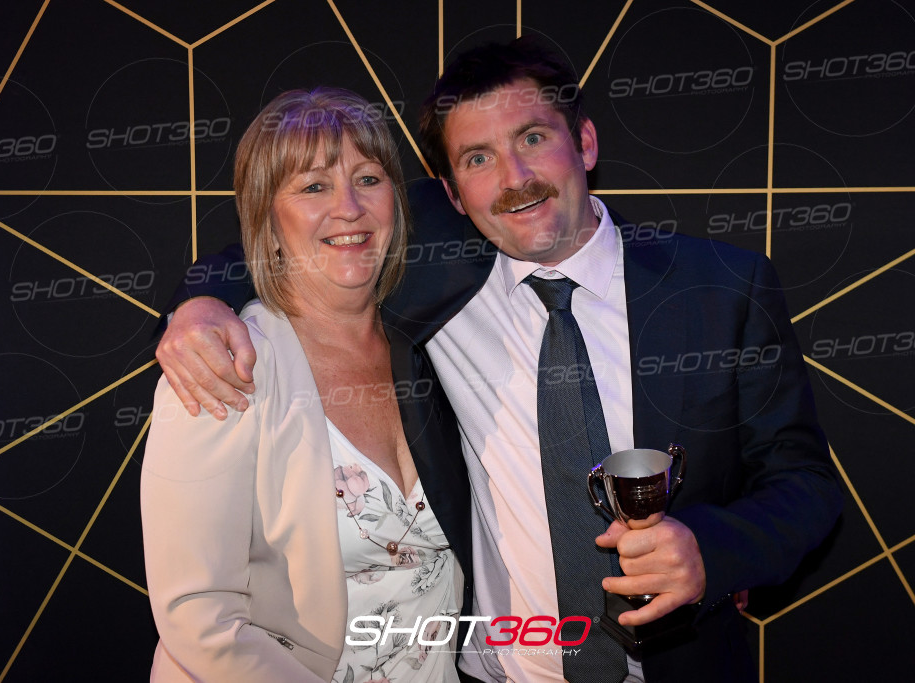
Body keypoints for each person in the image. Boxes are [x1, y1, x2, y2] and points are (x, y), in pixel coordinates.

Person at [155, 40, 843, 683]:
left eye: (533, 138)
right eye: (478, 159)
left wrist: (711, 552)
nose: (515, 179)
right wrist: (200, 306)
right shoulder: (435, 273)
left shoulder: (721, 287)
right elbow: (294, 239)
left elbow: (805, 484)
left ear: (585, 141)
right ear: (452, 194)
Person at [141, 87, 468, 683]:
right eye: (314, 186)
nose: (349, 207)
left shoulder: (433, 343)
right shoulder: (222, 364)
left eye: (368, 179)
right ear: (266, 219)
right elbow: (198, 616)